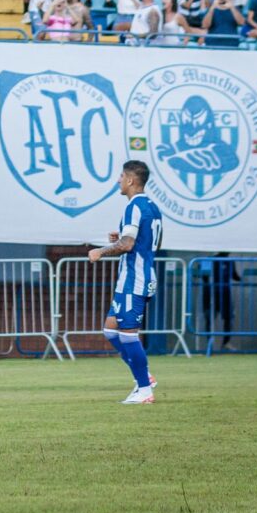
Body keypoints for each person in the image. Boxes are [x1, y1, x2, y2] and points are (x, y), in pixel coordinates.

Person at [88, 159, 162, 405]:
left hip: (135, 280)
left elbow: (128, 245)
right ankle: (145, 377)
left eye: (121, 176)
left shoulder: (134, 206)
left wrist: (102, 250)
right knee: (110, 330)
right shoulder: (152, 207)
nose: (118, 180)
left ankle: (144, 390)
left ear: (131, 180)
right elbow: (150, 243)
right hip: (132, 279)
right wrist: (120, 238)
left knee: (129, 335)